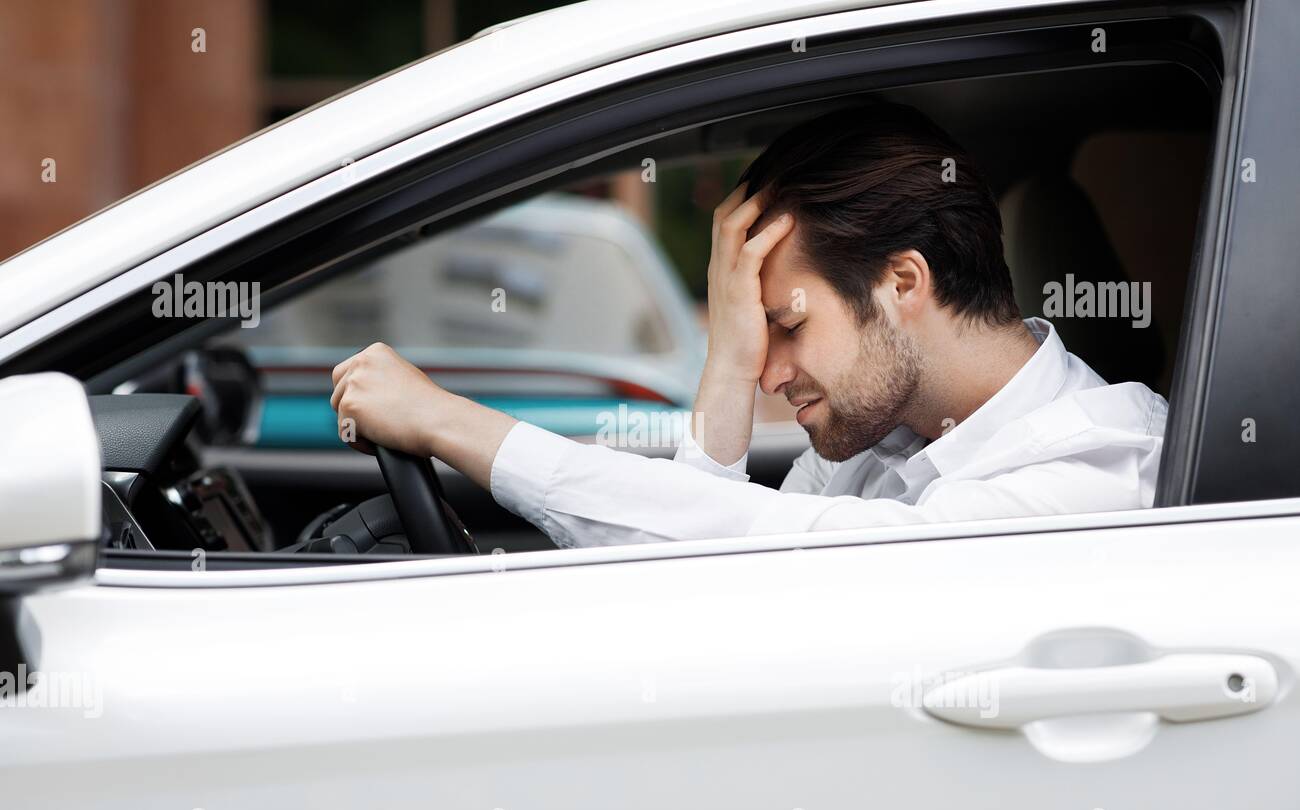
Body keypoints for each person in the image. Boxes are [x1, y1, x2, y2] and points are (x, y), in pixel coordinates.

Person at [330, 104, 1167, 548]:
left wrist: (445, 420)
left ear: (902, 281)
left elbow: (747, 539)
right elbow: (708, 571)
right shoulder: (890, 440)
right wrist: (728, 361)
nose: (770, 371)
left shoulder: (1094, 469)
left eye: (786, 327)